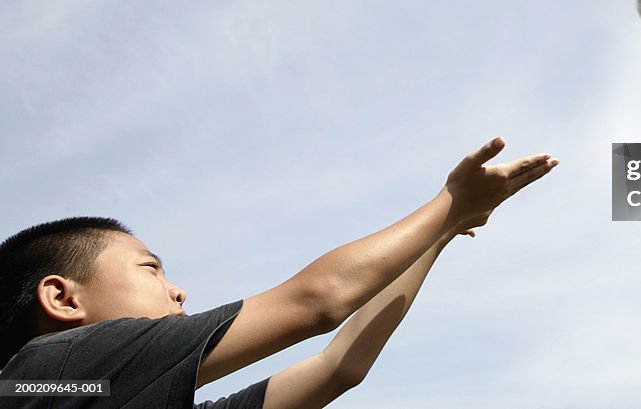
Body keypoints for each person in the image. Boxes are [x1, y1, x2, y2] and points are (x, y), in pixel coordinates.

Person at [0, 137, 557, 408]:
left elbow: (341, 366)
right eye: (150, 268)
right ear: (62, 297)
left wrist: (436, 238)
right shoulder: (53, 369)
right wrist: (451, 202)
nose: (177, 288)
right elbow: (318, 301)